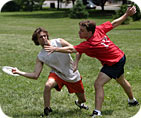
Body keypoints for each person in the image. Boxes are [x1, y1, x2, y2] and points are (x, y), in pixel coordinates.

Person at [44, 6, 139, 117]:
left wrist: (55, 49)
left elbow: (72, 49)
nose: (79, 32)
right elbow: (113, 24)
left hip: (114, 62)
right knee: (121, 80)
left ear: (89, 32)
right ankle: (132, 100)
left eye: (82, 31)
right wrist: (126, 15)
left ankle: (97, 112)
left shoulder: (90, 44)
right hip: (120, 56)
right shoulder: (97, 29)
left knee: (98, 84)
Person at [12, 27, 89, 117]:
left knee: (83, 99)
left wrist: (75, 63)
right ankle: (47, 109)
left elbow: (77, 50)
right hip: (58, 74)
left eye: (45, 36)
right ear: (37, 40)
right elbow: (35, 75)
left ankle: (79, 103)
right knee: (48, 85)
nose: (44, 38)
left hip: (72, 75)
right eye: (41, 37)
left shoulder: (59, 42)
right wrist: (18, 72)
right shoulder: (41, 56)